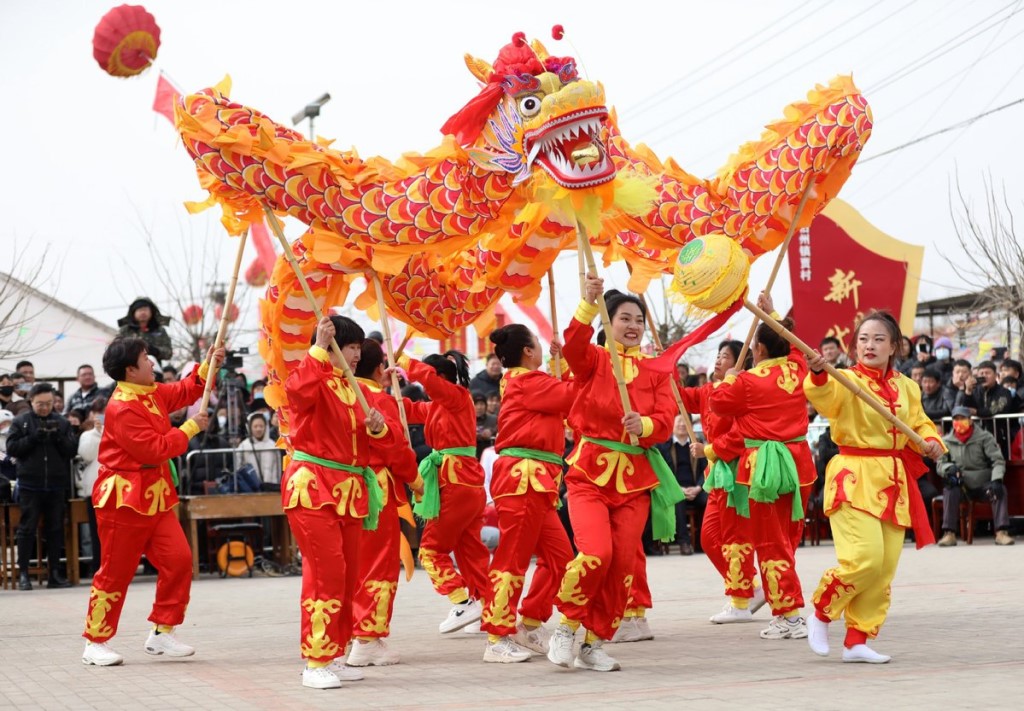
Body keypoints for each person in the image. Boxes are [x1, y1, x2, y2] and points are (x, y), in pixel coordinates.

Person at [545, 275, 677, 673]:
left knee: (622, 566)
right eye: (624, 317)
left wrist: (647, 427)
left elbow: (667, 419)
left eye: (639, 318)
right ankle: (566, 626)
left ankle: (593, 640)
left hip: (635, 480)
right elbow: (571, 346)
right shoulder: (596, 360)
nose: (633, 325)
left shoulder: (657, 370)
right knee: (596, 553)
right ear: (609, 321)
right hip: (589, 474)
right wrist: (587, 303)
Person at [804, 310, 945, 664]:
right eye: (863, 338)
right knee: (864, 559)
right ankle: (822, 612)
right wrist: (819, 373)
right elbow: (824, 398)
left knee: (883, 569)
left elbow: (920, 423)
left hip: (893, 481)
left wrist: (930, 441)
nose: (869, 345)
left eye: (879, 339)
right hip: (853, 475)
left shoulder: (907, 386)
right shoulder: (845, 378)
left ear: (894, 346)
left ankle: (856, 640)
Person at [80, 337, 221, 666]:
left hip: (154, 496)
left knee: (180, 560)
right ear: (130, 370)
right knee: (115, 572)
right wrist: (188, 428)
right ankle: (95, 640)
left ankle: (162, 631)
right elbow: (153, 449)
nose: (152, 363)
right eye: (146, 358)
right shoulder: (122, 407)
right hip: (123, 500)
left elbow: (186, 391)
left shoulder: (151, 392)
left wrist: (207, 365)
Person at [280, 316, 399, 689]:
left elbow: (385, 444)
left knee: (348, 577)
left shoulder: (353, 390)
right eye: (350, 348)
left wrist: (378, 428)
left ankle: (335, 651)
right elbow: (295, 394)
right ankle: (315, 660)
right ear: (333, 347)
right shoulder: (315, 377)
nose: (356, 355)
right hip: (313, 488)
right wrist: (317, 346)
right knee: (326, 574)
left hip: (349, 493)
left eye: (359, 349)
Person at [709, 292, 816, 642]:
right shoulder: (798, 367)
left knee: (771, 544)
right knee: (787, 541)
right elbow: (800, 348)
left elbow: (719, 404)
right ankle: (786, 606)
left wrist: (730, 377)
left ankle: (789, 615)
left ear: (759, 349)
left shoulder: (747, 382)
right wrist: (771, 314)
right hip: (799, 464)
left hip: (765, 469)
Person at [478, 324, 575, 664]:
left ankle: (530, 621)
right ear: (529, 352)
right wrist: (572, 363)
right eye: (537, 343)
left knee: (561, 558)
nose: (541, 347)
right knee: (512, 559)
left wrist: (559, 364)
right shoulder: (528, 382)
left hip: (537, 481)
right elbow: (570, 395)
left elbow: (563, 395)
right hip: (523, 478)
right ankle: (496, 635)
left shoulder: (527, 381)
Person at [398, 349, 492, 636]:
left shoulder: (456, 397)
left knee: (431, 550)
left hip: (456, 482)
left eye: (429, 382)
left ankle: (461, 600)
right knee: (471, 553)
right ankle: (490, 610)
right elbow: (407, 409)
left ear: (438, 379)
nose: (425, 388)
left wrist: (404, 362)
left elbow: (427, 381)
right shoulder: (440, 405)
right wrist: (382, 394)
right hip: (465, 483)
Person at [680, 339, 767, 624]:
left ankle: (740, 601)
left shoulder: (746, 391)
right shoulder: (707, 391)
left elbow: (743, 434)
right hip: (716, 473)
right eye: (718, 356)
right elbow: (679, 396)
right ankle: (751, 587)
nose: (718, 360)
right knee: (709, 537)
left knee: (736, 536)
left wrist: (706, 450)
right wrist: (665, 365)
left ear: (740, 363)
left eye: (725, 356)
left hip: (739, 470)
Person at [348, 339, 423, 668]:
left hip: (344, 488)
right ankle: (367, 637)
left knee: (354, 563)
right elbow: (397, 450)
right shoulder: (380, 400)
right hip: (377, 489)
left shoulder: (343, 393)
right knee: (380, 564)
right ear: (380, 368)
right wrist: (416, 481)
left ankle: (352, 632)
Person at [5, 382, 78, 591]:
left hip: (56, 484)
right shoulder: (21, 422)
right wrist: (33, 438)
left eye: (48, 403)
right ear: (31, 402)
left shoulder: (61, 422)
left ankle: (54, 573)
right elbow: (12, 448)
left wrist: (57, 438)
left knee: (55, 529)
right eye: (40, 404)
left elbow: (71, 450)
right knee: (27, 529)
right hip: (30, 484)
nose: (45, 407)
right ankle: (24, 574)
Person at [937, 406, 1013, 546]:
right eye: (956, 419)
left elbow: (997, 460)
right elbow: (940, 464)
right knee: (949, 490)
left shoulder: (984, 437)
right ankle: (949, 534)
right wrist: (950, 468)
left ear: (970, 420)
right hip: (961, 485)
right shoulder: (947, 441)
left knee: (999, 490)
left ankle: (1001, 532)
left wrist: (996, 478)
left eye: (963, 418)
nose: (959, 422)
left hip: (982, 483)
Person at [655, 415, 707, 555]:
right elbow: (662, 472)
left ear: (691, 425)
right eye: (679, 421)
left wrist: (698, 488)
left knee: (708, 500)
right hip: (675, 488)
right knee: (678, 500)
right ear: (672, 424)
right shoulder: (664, 445)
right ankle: (684, 542)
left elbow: (706, 469)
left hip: (696, 488)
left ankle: (703, 542)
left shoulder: (697, 444)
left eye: (686, 422)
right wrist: (678, 489)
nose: (682, 425)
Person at [962, 360, 1020, 458]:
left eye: (988, 373)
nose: (984, 376)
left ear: (996, 375)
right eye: (981, 373)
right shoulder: (975, 391)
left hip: (1001, 438)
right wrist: (968, 391)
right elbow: (966, 408)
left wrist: (977, 412)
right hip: (978, 438)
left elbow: (998, 408)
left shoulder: (1004, 392)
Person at [76, 398, 107, 575]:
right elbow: (86, 455)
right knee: (96, 533)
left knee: (116, 533)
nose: (101, 417)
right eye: (98, 413)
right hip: (95, 489)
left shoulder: (119, 430)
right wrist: (97, 432)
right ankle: (99, 568)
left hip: (117, 488)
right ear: (91, 415)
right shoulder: (86, 435)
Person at [233, 412, 282, 488]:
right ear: (250, 427)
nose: (258, 429)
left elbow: (277, 469)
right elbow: (238, 467)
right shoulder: (243, 446)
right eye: (255, 426)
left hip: (271, 488)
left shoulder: (273, 445)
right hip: (250, 489)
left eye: (261, 426)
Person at [116, 298, 173, 362]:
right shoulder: (125, 330)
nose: (143, 312)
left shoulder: (159, 330)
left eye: (145, 310)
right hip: (130, 366)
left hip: (153, 366)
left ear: (151, 312)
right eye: (140, 310)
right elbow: (116, 349)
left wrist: (155, 350)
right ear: (134, 312)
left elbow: (169, 352)